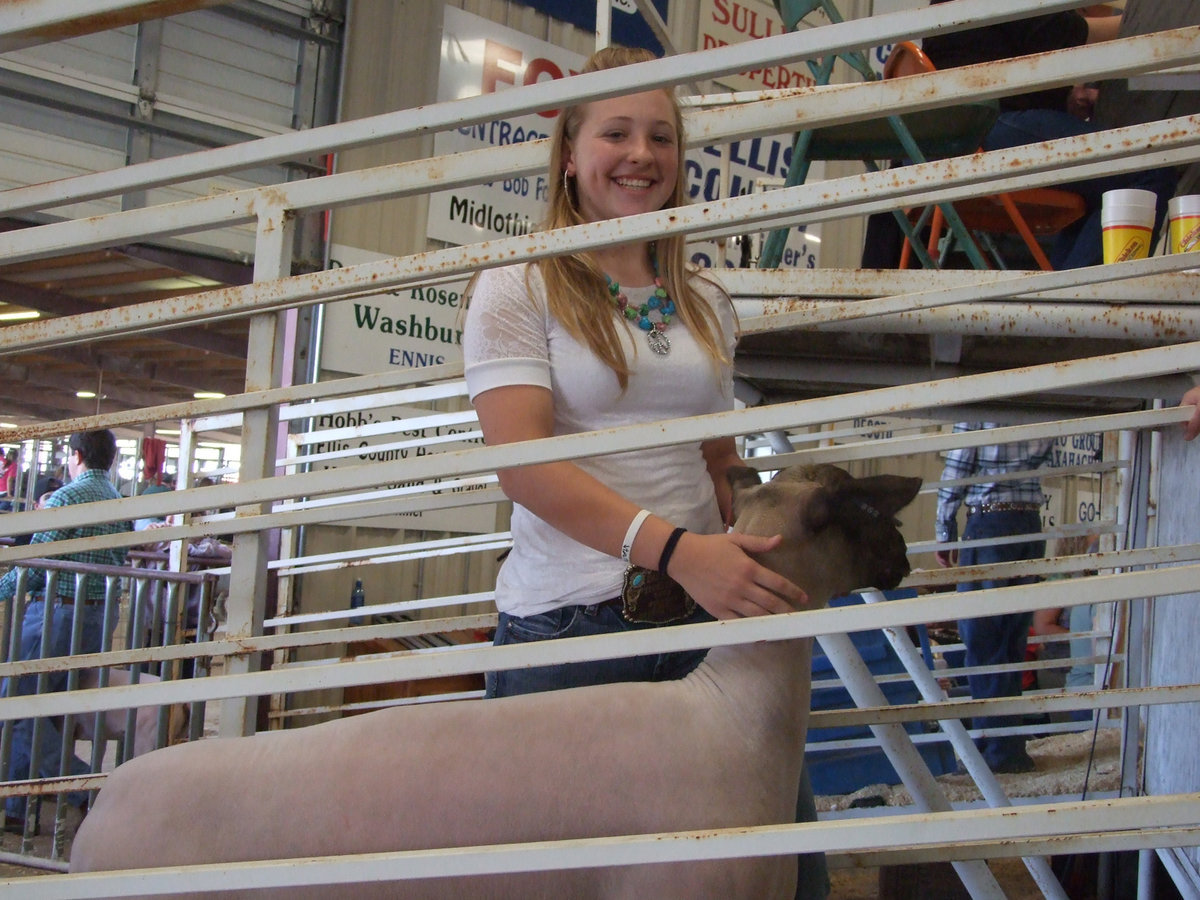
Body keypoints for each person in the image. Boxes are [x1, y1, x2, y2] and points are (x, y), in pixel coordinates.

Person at [462, 47, 825, 897]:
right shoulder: (518, 287)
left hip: (703, 618)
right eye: (617, 132)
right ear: (570, 152)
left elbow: (716, 454)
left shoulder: (703, 301)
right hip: (573, 630)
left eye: (661, 136)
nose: (642, 155)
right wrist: (678, 552)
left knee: (774, 875)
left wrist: (777, 524)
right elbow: (524, 465)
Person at [919, 1, 1179, 270]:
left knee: (1096, 185)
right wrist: (1159, 18)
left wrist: (1065, 98)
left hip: (935, 141)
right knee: (1149, 167)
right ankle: (1083, 297)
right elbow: (1072, 34)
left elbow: (1001, 46)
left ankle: (1069, 292)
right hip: (986, 131)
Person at [0, 430, 131, 831]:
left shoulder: (66, 498)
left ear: (76, 456)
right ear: (110, 459)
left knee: (16, 708)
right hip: (99, 616)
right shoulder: (118, 503)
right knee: (44, 711)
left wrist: (3, 588)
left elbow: (36, 565)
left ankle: (90, 790)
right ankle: (16, 811)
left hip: (58, 615)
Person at [934, 423, 1055, 773]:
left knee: (982, 637)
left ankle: (996, 751)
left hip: (989, 522)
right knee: (1011, 639)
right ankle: (1005, 745)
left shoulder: (979, 405)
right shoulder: (1039, 402)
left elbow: (958, 466)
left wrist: (944, 530)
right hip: (1029, 524)